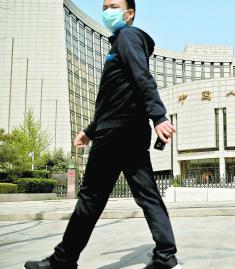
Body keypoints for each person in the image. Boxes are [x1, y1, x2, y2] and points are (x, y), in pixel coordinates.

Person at [24, 1, 181, 268]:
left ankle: (63, 259)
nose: (107, 10)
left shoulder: (128, 37)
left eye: (113, 5)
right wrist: (89, 130)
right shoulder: (119, 45)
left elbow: (143, 76)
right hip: (126, 132)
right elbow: (112, 97)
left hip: (116, 135)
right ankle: (166, 254)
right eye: (104, 5)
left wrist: (158, 115)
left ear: (129, 13)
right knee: (147, 194)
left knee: (90, 199)